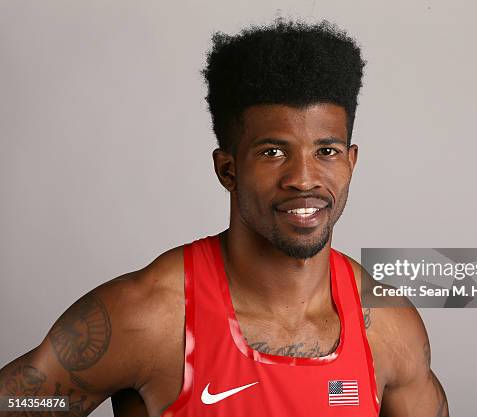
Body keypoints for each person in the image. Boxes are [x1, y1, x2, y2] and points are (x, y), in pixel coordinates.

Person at [0, 19, 448, 417]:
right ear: (227, 169)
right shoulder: (149, 315)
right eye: (273, 152)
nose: (303, 178)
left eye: (326, 151)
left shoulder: (387, 325)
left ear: (351, 162)